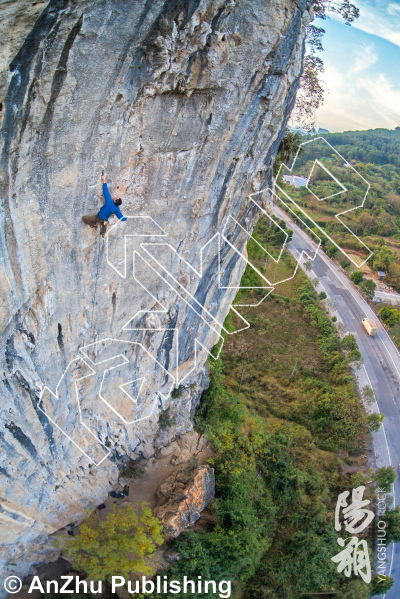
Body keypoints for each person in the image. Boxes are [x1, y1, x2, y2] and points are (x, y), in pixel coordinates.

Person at [82, 172, 127, 237]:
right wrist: (124, 219)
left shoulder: (109, 201)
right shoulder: (117, 209)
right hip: (105, 218)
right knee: (105, 223)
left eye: (116, 198)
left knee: (84, 218)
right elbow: (120, 216)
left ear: (115, 201)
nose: (115, 197)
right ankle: (103, 233)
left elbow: (106, 192)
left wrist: (104, 180)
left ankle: (94, 224)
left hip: (99, 217)